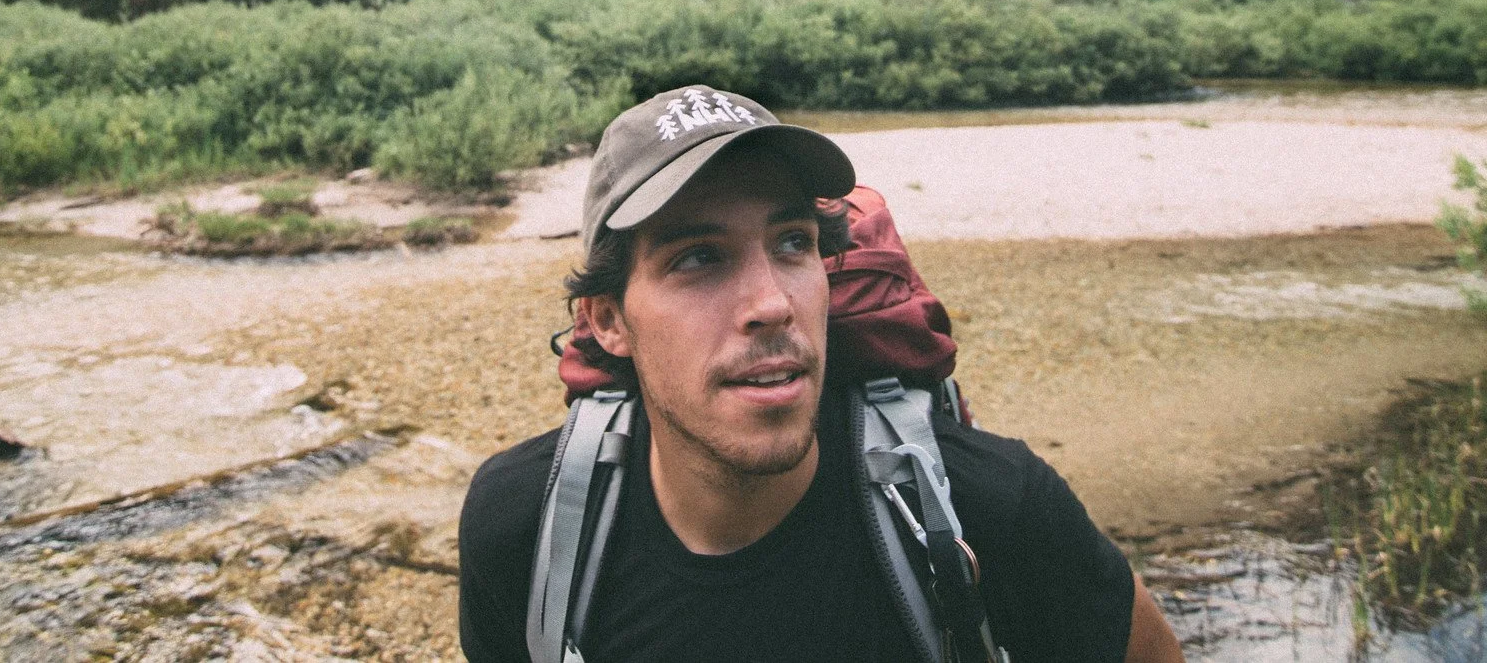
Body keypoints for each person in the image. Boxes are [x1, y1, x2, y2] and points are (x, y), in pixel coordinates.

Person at [459, 86, 1185, 663]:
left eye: (793, 243)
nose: (772, 303)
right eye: (698, 257)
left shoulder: (990, 511)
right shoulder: (529, 530)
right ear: (608, 319)